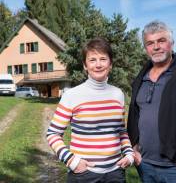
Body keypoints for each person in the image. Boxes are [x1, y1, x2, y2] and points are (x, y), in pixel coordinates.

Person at [47, 37, 134, 183]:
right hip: (83, 174)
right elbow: (53, 134)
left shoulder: (118, 94)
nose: (98, 65)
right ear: (85, 65)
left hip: (115, 173)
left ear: (110, 64)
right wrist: (72, 161)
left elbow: (121, 131)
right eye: (92, 60)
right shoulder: (72, 95)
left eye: (103, 59)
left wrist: (129, 154)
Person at [127, 20, 176, 183]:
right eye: (150, 43)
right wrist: (134, 149)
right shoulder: (141, 79)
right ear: (145, 48)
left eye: (161, 41)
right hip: (145, 165)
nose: (156, 47)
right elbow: (135, 117)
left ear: (172, 43)